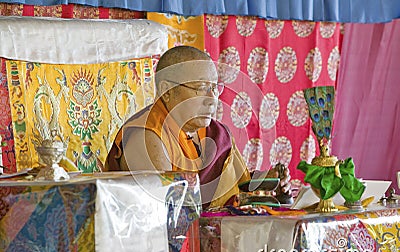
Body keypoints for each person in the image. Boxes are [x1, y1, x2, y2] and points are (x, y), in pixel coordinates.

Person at [105, 45, 291, 209]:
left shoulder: (218, 134)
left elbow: (238, 186)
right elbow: (169, 213)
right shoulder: (147, 136)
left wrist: (270, 184)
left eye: (215, 87)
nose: (212, 99)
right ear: (166, 91)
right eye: (201, 87)